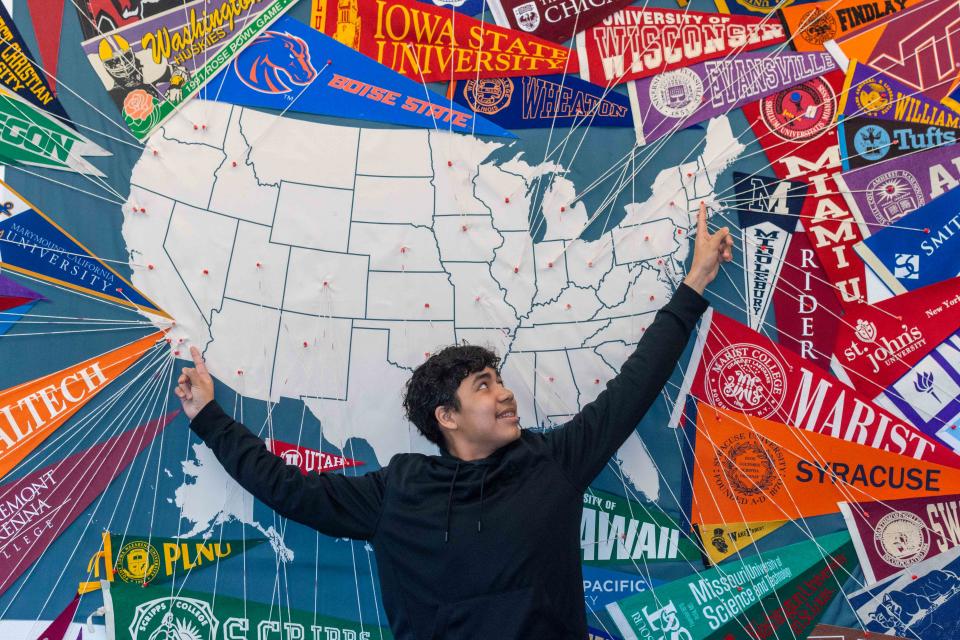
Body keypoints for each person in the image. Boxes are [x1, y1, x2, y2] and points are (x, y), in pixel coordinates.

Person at [174, 202, 734, 639]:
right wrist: (207, 417)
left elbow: (633, 388)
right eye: (484, 386)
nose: (506, 395)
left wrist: (694, 286)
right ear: (447, 416)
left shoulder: (551, 463)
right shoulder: (400, 489)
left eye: (500, 380)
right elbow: (287, 489)